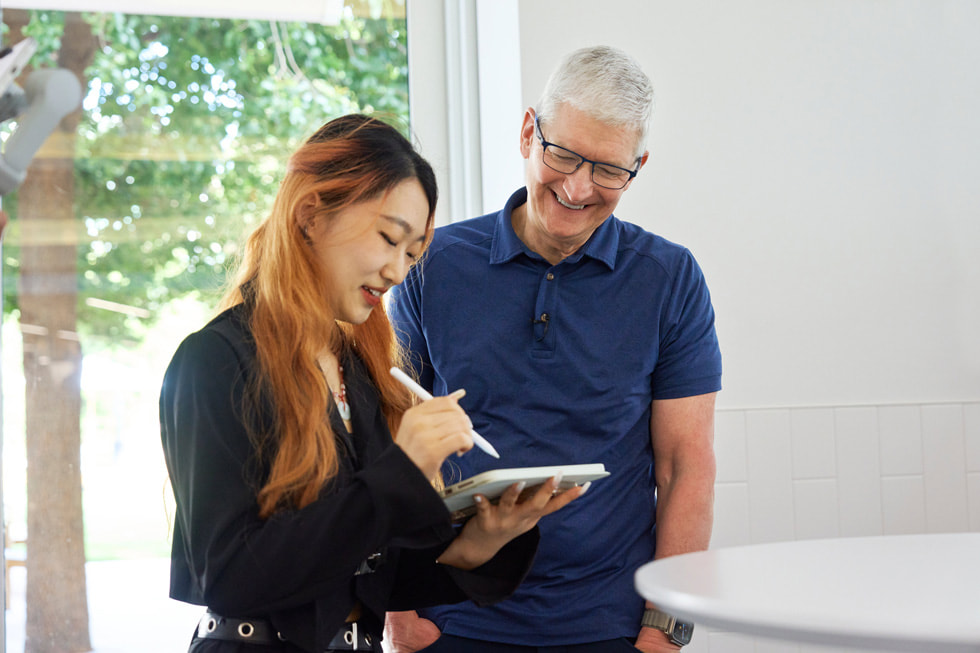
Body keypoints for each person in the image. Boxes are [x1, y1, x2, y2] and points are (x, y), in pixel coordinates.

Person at [159, 114, 587, 653]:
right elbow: (230, 577)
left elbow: (367, 574)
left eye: (412, 254)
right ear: (311, 214)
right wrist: (400, 472)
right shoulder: (213, 361)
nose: (398, 271)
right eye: (389, 238)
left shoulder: (355, 371)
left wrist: (481, 541)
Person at [386, 46, 722, 653]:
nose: (577, 187)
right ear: (527, 132)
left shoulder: (670, 279)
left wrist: (665, 629)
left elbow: (685, 465)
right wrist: (402, 610)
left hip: (609, 626)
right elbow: (394, 440)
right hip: (453, 621)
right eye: (562, 154)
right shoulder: (429, 265)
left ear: (638, 165)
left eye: (609, 170)